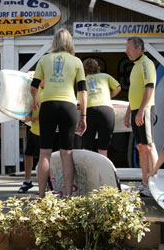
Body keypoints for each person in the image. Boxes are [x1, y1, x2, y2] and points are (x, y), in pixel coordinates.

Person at [30, 28, 87, 198]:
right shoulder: (76, 61)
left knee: (44, 153)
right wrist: (83, 116)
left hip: (48, 105)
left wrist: (35, 100)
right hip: (68, 106)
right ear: (70, 42)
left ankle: (41, 196)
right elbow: (83, 92)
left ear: (54, 41)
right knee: (66, 153)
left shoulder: (44, 59)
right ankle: (68, 196)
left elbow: (33, 86)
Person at [123, 37, 158, 197]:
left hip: (146, 109)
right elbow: (135, 91)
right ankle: (145, 182)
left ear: (139, 49)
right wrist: (129, 111)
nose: (126, 51)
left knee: (148, 146)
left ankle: (154, 182)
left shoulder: (146, 63)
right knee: (141, 147)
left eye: (129, 48)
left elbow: (149, 87)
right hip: (136, 109)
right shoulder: (136, 66)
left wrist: (142, 110)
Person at [81, 58, 121, 157]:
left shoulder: (83, 81)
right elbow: (118, 87)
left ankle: (86, 171)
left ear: (84, 70)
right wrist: (109, 96)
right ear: (98, 68)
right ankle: (104, 172)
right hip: (106, 110)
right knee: (103, 147)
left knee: (87, 147)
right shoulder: (105, 76)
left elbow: (82, 98)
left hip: (90, 110)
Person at [19, 76, 43, 193]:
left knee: (43, 158)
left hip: (44, 131)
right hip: (34, 129)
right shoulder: (35, 92)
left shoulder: (48, 93)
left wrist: (30, 118)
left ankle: (45, 183)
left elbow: (44, 113)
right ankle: (27, 181)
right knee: (28, 155)